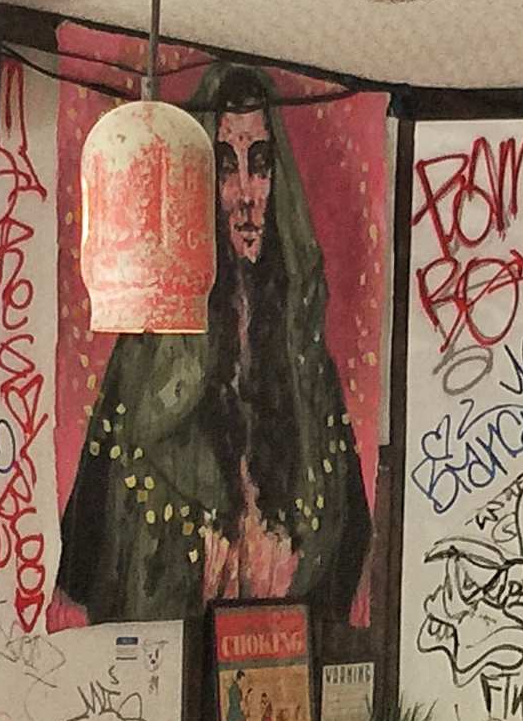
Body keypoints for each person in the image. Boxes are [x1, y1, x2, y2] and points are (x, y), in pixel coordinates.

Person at [58, 61, 371, 622]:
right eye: (225, 168)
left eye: (259, 166)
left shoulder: (301, 353)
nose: (247, 196)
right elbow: (97, 544)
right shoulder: (149, 344)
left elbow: (347, 533)